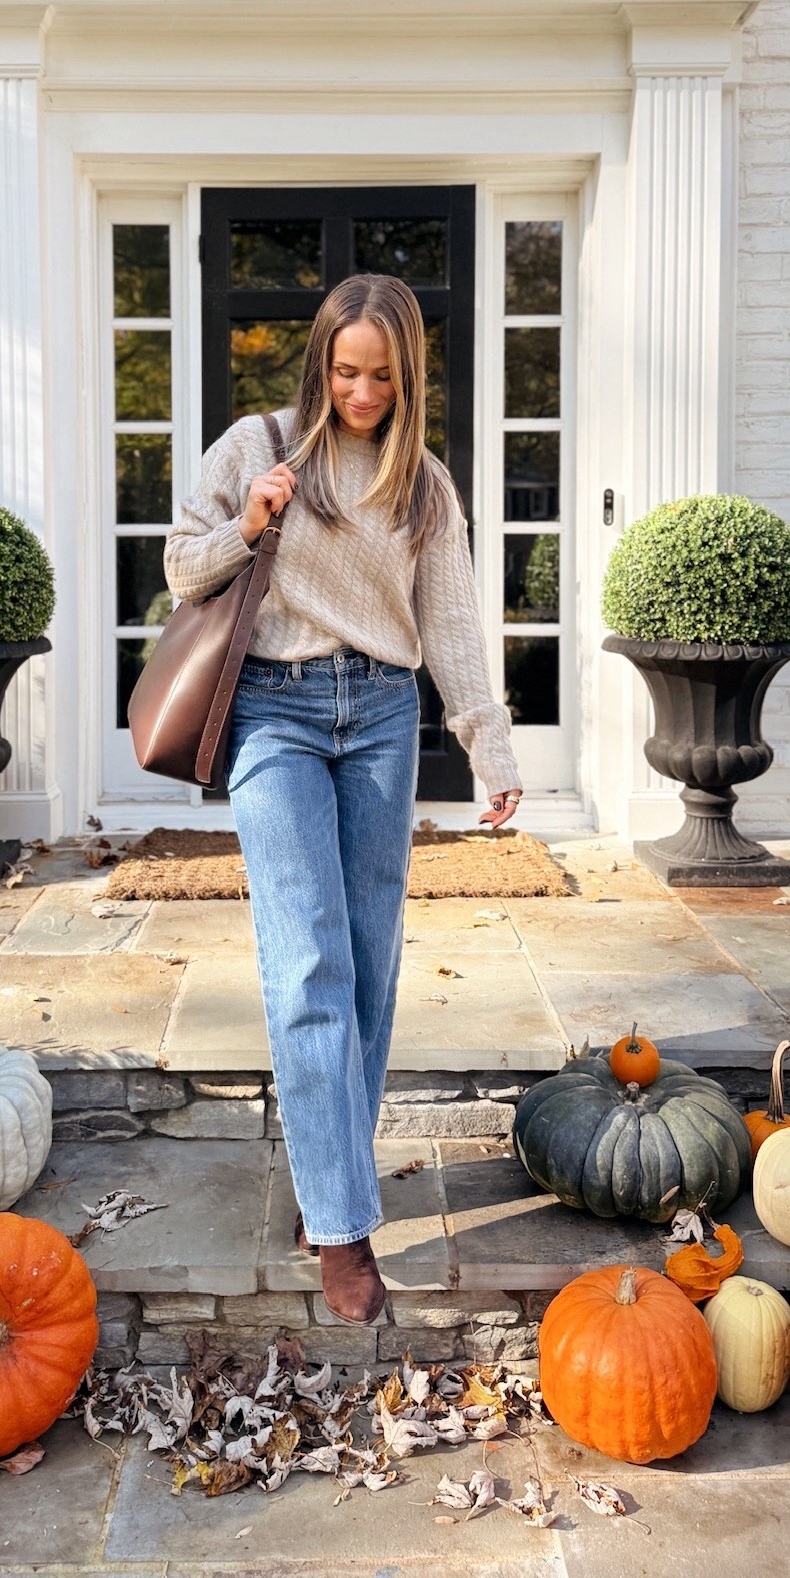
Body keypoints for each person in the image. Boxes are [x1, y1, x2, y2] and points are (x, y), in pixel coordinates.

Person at [163, 274, 522, 1324]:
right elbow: (183, 567)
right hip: (272, 710)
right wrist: (249, 520)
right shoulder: (256, 444)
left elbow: (451, 623)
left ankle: (327, 1183)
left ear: (411, 374)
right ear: (320, 360)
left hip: (378, 717)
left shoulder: (425, 486)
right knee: (309, 956)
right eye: (345, 368)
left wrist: (486, 744)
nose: (361, 390)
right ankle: (343, 1228)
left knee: (368, 961)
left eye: (383, 374)